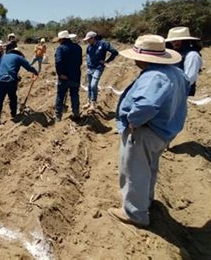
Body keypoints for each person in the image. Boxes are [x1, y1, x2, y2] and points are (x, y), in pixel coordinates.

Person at [109, 35, 189, 227]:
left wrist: (134, 121)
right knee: (149, 167)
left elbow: (146, 104)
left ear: (143, 57)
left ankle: (135, 213)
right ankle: (146, 200)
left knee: (134, 170)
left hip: (146, 131)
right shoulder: (175, 73)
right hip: (164, 131)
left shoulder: (154, 76)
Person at [0, 48, 39, 127]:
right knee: (13, 98)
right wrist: (35, 72)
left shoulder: (4, 56)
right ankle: (14, 114)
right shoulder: (19, 57)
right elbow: (28, 67)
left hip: (1, 79)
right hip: (10, 80)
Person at [83, 31, 118, 111]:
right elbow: (88, 56)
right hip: (90, 68)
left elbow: (114, 52)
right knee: (89, 86)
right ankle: (88, 102)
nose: (87, 41)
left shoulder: (103, 44)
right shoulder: (89, 47)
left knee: (93, 85)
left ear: (93, 38)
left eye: (89, 39)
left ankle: (93, 104)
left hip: (98, 68)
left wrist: (106, 61)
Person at [165, 26, 203, 96]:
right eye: (172, 41)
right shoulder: (177, 54)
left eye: (176, 41)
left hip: (182, 94)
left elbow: (189, 79)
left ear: (185, 40)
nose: (174, 43)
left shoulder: (192, 55)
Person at [54, 30, 82, 122]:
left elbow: (58, 62)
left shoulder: (60, 49)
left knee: (60, 96)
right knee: (74, 95)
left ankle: (58, 116)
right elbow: (80, 62)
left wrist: (60, 74)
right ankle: (76, 113)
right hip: (75, 76)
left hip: (63, 77)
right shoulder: (78, 47)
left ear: (61, 39)